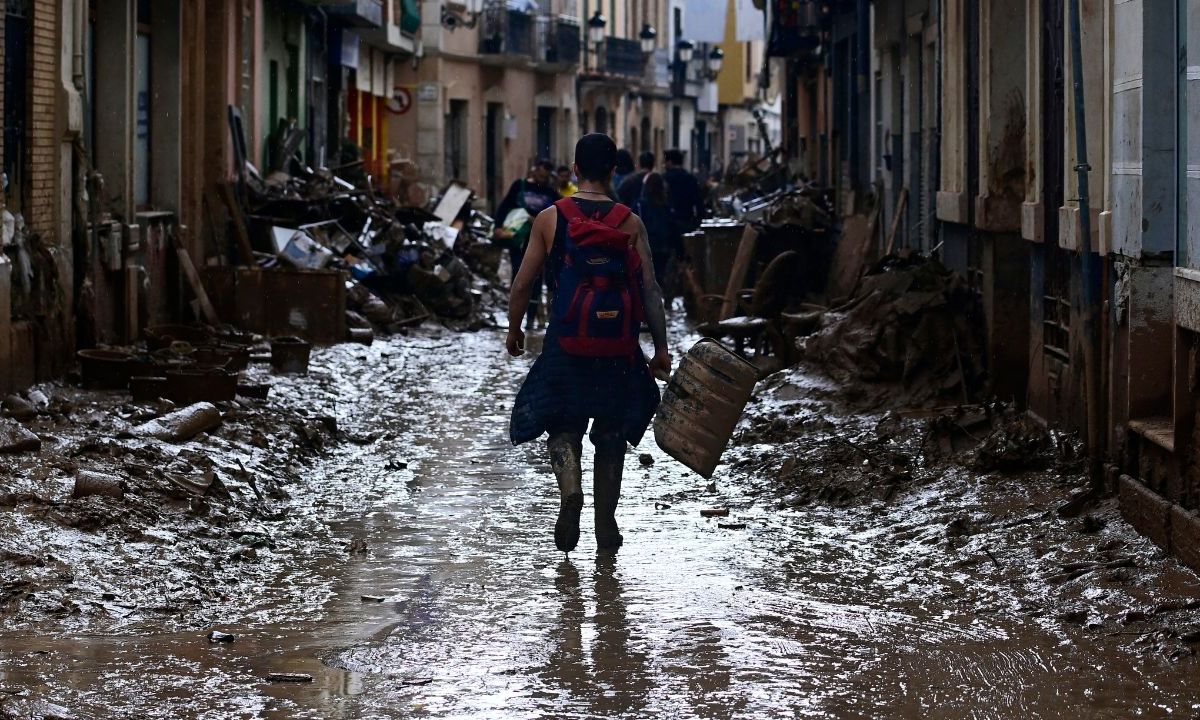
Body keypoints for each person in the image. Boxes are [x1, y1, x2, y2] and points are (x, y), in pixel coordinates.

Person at [507, 133, 672, 556]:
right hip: (617, 347)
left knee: (562, 426)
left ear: (575, 169)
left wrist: (515, 329)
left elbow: (522, 284)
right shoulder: (630, 221)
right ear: (614, 171)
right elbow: (650, 290)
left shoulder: (550, 217)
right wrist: (661, 348)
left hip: (566, 343)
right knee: (612, 432)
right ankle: (605, 523)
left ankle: (570, 491)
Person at [494, 159, 561, 327]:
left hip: (539, 239)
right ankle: (515, 318)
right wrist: (497, 227)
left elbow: (559, 213)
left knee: (537, 278)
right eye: (540, 173)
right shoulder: (519, 186)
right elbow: (505, 206)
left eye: (546, 175)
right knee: (519, 274)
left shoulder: (551, 192)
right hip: (517, 238)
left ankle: (531, 319)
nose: (542, 178)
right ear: (534, 171)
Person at [633, 172, 682, 288]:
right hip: (662, 250)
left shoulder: (639, 205)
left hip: (644, 248)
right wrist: (681, 254)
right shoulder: (665, 206)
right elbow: (674, 231)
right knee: (658, 279)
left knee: (645, 281)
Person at [662, 149, 705, 233]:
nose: (664, 165)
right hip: (686, 221)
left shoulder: (664, 178)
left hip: (667, 224)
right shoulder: (690, 178)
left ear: (670, 162)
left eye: (665, 162)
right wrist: (697, 222)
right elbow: (698, 202)